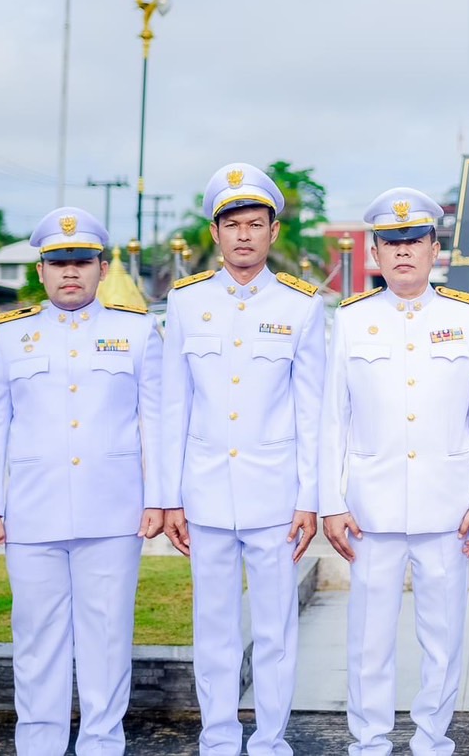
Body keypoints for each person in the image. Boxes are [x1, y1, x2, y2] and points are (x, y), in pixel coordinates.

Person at [0, 206, 162, 755]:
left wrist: (159, 499)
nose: (70, 272)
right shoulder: (10, 337)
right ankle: (39, 746)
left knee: (106, 642)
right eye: (58, 263)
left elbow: (158, 424)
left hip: (113, 512)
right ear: (41, 271)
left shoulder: (138, 332)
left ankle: (103, 746)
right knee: (36, 643)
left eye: (81, 261)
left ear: (102, 268)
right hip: (33, 513)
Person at [319, 187, 469, 756]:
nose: (402, 252)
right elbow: (332, 420)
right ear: (375, 251)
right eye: (390, 242)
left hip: (447, 505)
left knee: (443, 636)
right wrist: (331, 500)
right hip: (370, 507)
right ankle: (369, 742)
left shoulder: (465, 317)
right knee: (369, 638)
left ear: (433, 248)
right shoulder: (351, 321)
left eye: (413, 241)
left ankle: (432, 740)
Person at [159, 163, 325, 756]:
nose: (244, 235)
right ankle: (219, 738)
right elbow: (172, 406)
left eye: (256, 224)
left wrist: (312, 499)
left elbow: (313, 414)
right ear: (215, 231)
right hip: (204, 494)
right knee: (215, 629)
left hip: (276, 497)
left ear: (273, 232)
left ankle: (271, 739)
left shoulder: (302, 307)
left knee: (276, 628)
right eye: (233, 225)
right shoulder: (184, 303)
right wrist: (168, 497)